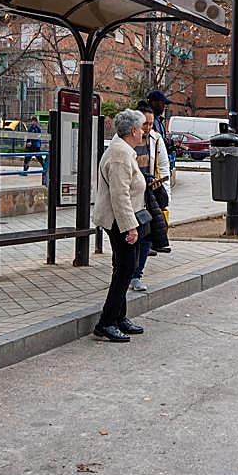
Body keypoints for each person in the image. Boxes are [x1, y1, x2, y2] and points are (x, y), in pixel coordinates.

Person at [91, 109, 148, 343]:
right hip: (119, 221)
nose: (144, 131)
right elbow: (119, 195)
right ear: (133, 130)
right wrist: (130, 228)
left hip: (123, 219)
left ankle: (119, 317)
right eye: (142, 127)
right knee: (125, 269)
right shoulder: (120, 154)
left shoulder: (123, 150)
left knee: (124, 267)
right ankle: (106, 322)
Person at [131, 102, 171, 293]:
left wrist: (163, 192)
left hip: (148, 193)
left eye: (151, 124)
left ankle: (137, 274)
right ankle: (126, 272)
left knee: (147, 234)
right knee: (130, 236)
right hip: (130, 194)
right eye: (145, 124)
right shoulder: (125, 140)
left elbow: (163, 166)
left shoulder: (155, 139)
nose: (148, 128)